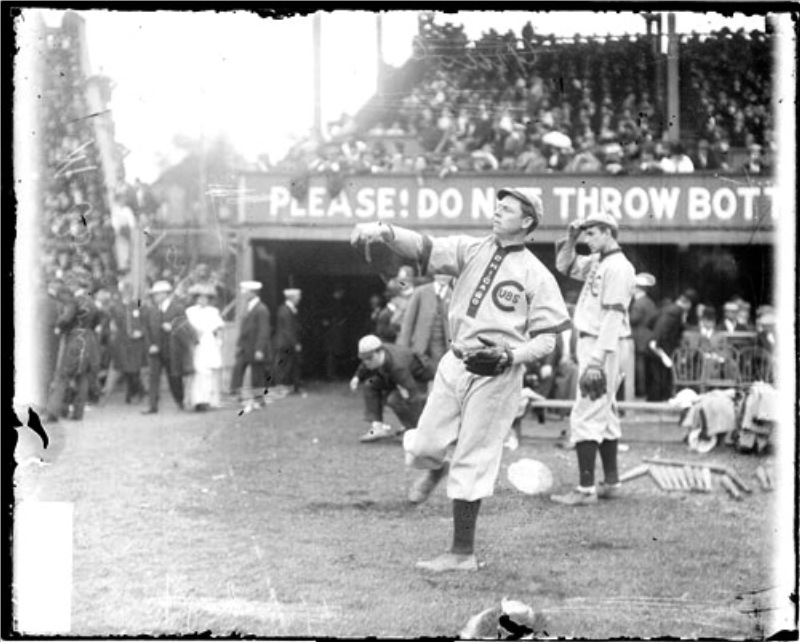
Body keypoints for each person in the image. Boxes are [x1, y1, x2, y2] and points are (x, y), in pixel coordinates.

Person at [350, 187, 570, 573]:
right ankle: (438, 465)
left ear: (528, 221)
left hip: (497, 373)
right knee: (423, 446)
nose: (497, 212)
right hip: (456, 362)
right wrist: (384, 230)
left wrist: (511, 355)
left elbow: (548, 337)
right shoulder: (471, 249)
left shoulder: (537, 274)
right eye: (497, 206)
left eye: (507, 209)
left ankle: (461, 553)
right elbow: (422, 245)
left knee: (473, 459)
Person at [551, 212, 636, 505]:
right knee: (606, 413)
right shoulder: (600, 261)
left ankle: (585, 490)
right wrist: (572, 238)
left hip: (604, 346)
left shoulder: (619, 267)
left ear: (608, 232)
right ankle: (611, 483)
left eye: (591, 233)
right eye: (585, 234)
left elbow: (614, 315)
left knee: (586, 411)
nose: (587, 239)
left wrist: (597, 361)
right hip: (598, 344)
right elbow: (565, 265)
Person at [349, 335, 432, 443]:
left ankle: (415, 430)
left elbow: (414, 396)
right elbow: (365, 364)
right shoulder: (379, 356)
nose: (366, 362)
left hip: (420, 379)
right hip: (393, 377)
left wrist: (419, 426)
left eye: (369, 358)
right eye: (363, 358)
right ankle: (377, 428)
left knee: (395, 399)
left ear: (379, 352)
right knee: (370, 384)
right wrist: (357, 376)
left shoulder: (398, 367)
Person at [45, 276, 101, 422]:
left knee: (63, 377)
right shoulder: (92, 302)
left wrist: (58, 327)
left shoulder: (74, 301)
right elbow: (97, 320)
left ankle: (53, 412)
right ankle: (78, 413)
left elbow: (66, 319)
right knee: (83, 377)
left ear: (75, 286)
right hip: (90, 340)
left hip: (75, 340)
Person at [142, 280, 193, 414]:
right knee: (153, 378)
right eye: (154, 294)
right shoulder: (151, 310)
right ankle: (152, 405)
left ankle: (179, 401)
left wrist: (172, 327)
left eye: (157, 294)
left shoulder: (178, 308)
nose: (155, 297)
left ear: (165, 294)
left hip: (172, 349)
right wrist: (151, 345)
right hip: (155, 349)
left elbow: (185, 327)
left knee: (174, 377)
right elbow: (146, 329)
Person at [229, 281, 272, 410]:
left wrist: (259, 349)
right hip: (244, 347)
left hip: (255, 347)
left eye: (246, 293)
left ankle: (259, 400)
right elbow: (244, 329)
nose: (244, 295)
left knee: (257, 375)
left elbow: (264, 330)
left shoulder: (261, 309)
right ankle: (237, 395)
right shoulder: (247, 307)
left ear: (253, 293)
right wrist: (239, 345)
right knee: (237, 370)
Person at [397, 274, 453, 371]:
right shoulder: (421, 292)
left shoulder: (454, 295)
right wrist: (403, 348)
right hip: (420, 347)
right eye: (440, 273)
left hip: (442, 349)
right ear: (434, 274)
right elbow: (408, 322)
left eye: (447, 274)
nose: (443, 277)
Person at [647, 291, 694, 401]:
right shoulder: (677, 311)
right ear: (688, 303)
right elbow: (663, 328)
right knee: (661, 374)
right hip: (661, 346)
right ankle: (659, 399)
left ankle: (655, 398)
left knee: (657, 374)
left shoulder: (667, 308)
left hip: (656, 343)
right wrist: (658, 343)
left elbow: (651, 322)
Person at [186, 283, 225, 411]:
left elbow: (219, 328)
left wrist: (219, 341)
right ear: (196, 299)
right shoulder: (190, 311)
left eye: (205, 298)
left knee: (210, 372)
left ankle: (209, 400)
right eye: (200, 298)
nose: (202, 300)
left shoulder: (213, 311)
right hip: (196, 343)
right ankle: (198, 400)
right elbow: (186, 328)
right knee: (198, 372)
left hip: (209, 343)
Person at [107, 281, 146, 404]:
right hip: (123, 342)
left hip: (135, 342)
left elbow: (144, 321)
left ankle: (136, 392)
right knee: (126, 368)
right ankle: (134, 392)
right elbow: (112, 322)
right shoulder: (116, 306)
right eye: (125, 291)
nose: (127, 294)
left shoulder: (137, 305)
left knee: (134, 369)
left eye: (129, 291)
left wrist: (140, 332)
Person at [629, 273, 658, 399]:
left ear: (637, 288)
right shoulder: (650, 302)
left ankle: (640, 391)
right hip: (648, 338)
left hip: (639, 339)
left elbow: (632, 320)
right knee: (646, 367)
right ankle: (646, 391)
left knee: (639, 368)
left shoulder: (638, 304)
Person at [274, 288, 304, 394]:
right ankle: (281, 387)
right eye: (298, 297)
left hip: (287, 342)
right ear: (292, 298)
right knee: (283, 365)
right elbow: (288, 329)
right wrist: (295, 343)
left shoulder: (289, 309)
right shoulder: (285, 310)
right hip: (285, 343)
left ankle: (294, 386)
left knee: (291, 364)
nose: (299, 299)